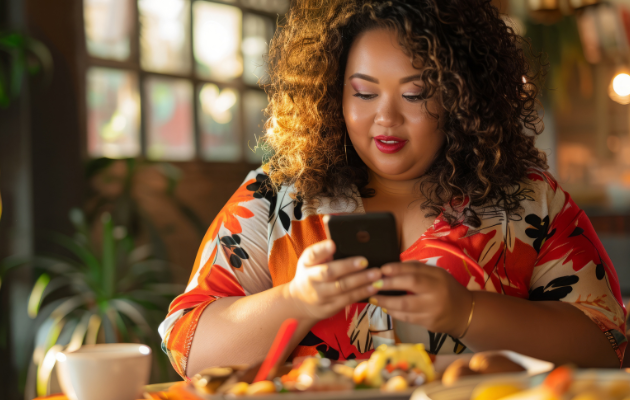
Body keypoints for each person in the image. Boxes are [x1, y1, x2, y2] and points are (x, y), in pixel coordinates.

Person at [159, 0, 626, 379]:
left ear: (461, 96)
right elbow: (187, 349)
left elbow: (608, 347)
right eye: (363, 93)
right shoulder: (273, 197)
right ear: (331, 93)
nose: (386, 117)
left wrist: (466, 312)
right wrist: (296, 300)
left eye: (416, 94)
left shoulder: (528, 201)